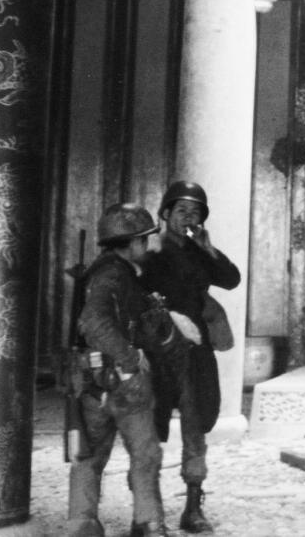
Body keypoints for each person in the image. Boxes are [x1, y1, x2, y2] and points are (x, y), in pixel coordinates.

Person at [67, 203, 186, 537]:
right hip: (117, 382)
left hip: (104, 382)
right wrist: (130, 360)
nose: (146, 247)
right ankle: (132, 524)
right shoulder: (112, 275)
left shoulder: (116, 274)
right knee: (125, 454)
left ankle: (99, 524)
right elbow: (94, 323)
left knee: (105, 455)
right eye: (143, 241)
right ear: (131, 242)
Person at [141, 181, 241, 533]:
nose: (188, 217)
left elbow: (231, 280)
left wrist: (209, 250)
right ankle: (148, 509)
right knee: (147, 429)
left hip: (196, 349)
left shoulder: (199, 250)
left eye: (195, 212)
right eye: (181, 210)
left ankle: (193, 505)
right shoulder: (148, 248)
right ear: (165, 213)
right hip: (157, 345)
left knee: (196, 423)